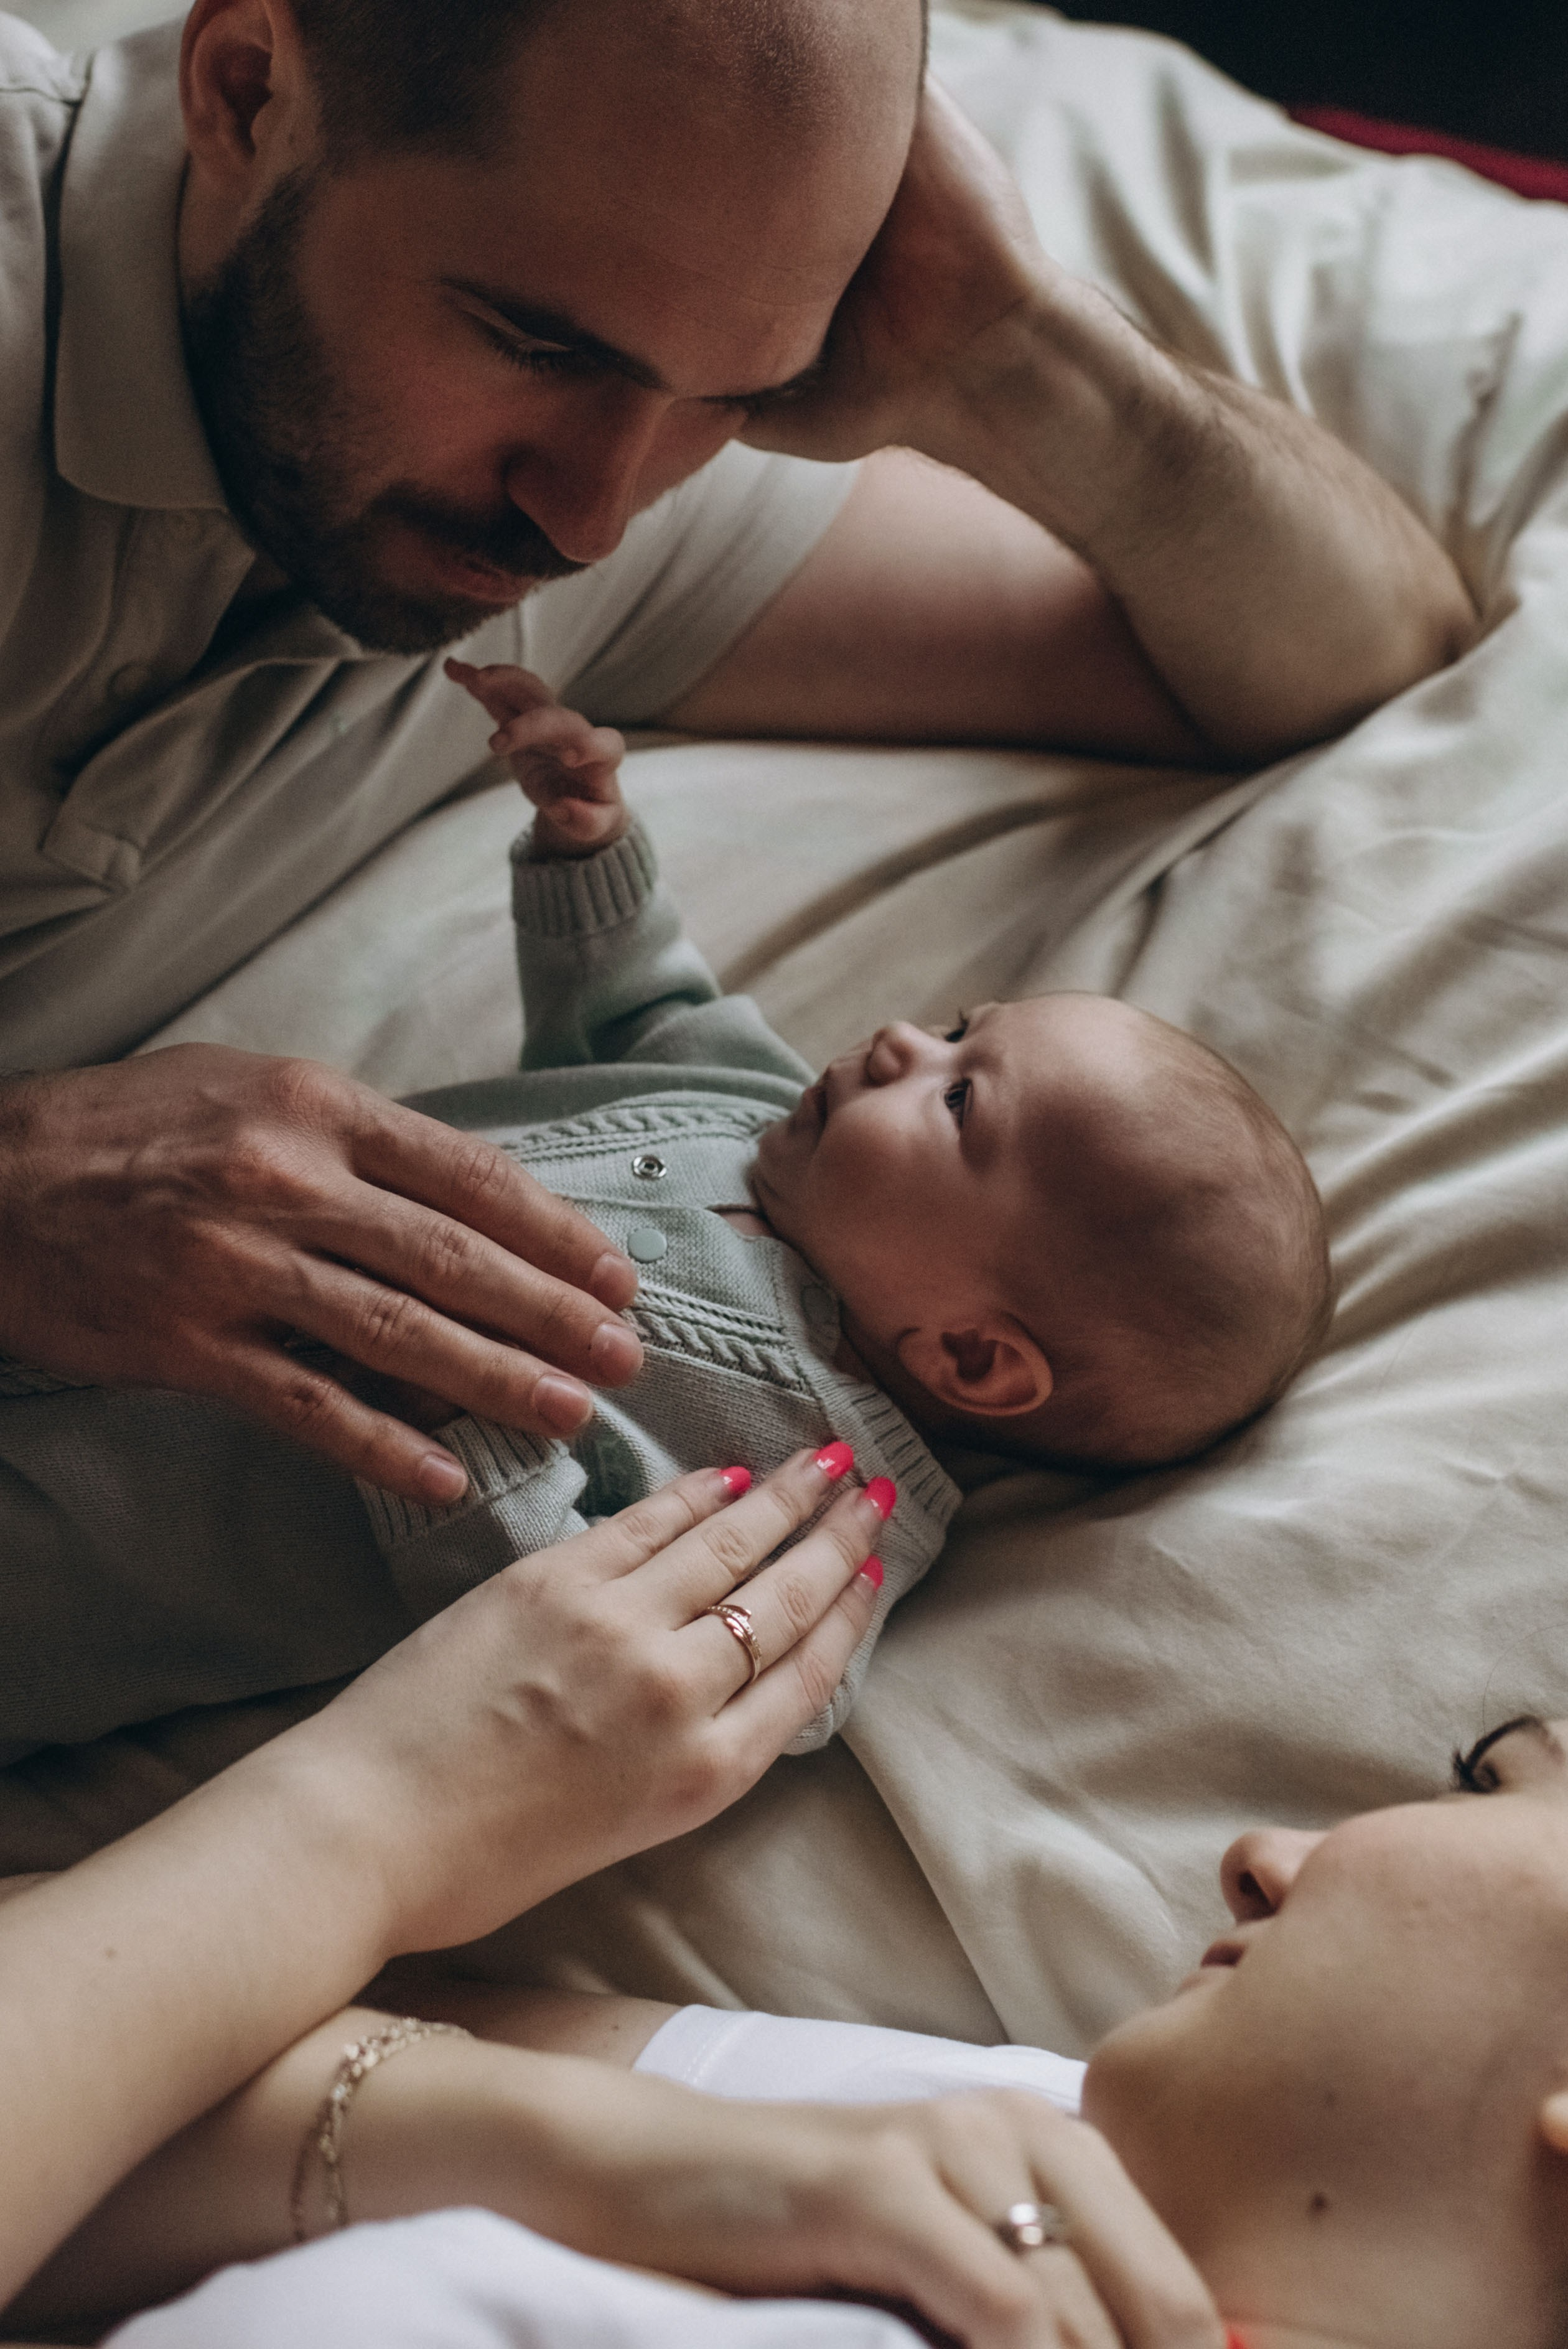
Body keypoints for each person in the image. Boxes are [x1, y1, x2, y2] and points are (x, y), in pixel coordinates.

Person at [0, 0, 1474, 1542]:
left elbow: (1354, 651)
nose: (588, 518)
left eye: (732, 395)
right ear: (245, 91)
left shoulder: (581, 511)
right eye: (536, 342)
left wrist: (1012, 343)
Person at [0, 656, 1330, 1762]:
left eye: (961, 1101)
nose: (894, 1042)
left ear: (973, 1355)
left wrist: (464, 1415)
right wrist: (592, 854)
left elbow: (606, 1651)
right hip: (93, 1254)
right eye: (950, 1027)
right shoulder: (760, 1111)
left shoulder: (823, 1504)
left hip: (105, 1547)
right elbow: (642, 1007)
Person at [13, 1698, 1568, 2348]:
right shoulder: (1014, 2145)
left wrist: (370, 1811)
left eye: (1491, 1787)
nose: (1260, 1853)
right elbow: (127, 2066)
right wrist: (609, 2155)